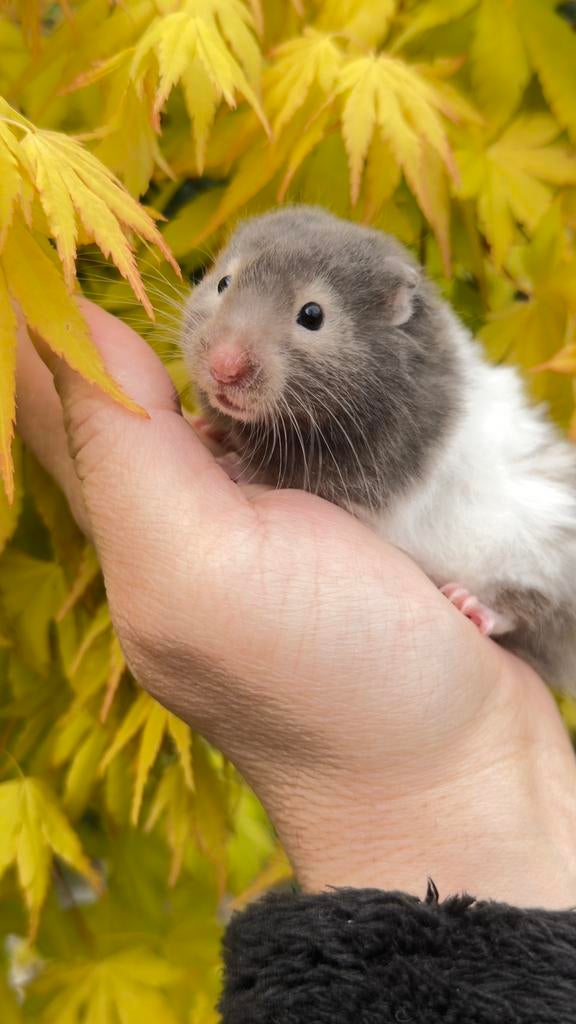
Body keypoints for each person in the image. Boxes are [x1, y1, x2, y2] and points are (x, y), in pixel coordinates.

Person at [16, 300, 576, 1021]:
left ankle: (513, 601)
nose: (226, 352)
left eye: (305, 316)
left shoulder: (411, 412)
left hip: (515, 571)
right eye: (222, 287)